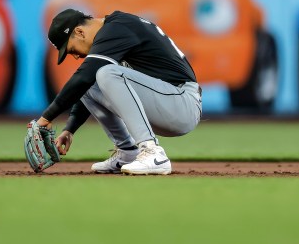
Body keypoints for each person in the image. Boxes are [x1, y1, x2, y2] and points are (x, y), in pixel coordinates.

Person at [32, 9, 203, 175]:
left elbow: (84, 76)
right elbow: (85, 82)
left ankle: (153, 153)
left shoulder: (118, 27)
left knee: (104, 73)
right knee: (92, 78)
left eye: (71, 49)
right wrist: (69, 129)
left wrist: (45, 118)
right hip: (167, 102)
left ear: (79, 32)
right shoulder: (113, 31)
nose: (75, 56)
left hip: (182, 102)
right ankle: (128, 152)